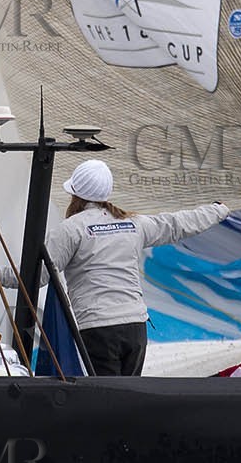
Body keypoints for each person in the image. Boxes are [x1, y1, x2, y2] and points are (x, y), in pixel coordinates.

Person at [41, 158, 228, 376]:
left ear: (75, 194)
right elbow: (177, 223)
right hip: (135, 327)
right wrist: (217, 210)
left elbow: (38, 275)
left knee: (106, 401)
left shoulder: (70, 229)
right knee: (125, 400)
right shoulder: (133, 223)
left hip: (97, 328)